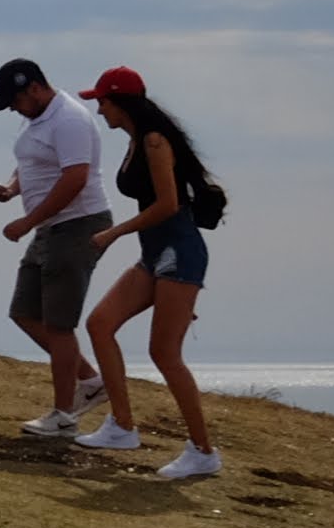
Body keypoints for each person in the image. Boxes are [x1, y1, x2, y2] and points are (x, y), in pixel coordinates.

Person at [69, 66, 226, 482]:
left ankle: (203, 452)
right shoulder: (136, 140)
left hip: (179, 255)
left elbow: (169, 205)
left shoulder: (155, 141)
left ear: (120, 102)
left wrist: (114, 233)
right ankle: (122, 427)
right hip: (155, 256)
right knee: (100, 324)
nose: (99, 110)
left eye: (103, 101)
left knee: (165, 354)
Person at [0, 55, 118, 438]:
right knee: (25, 312)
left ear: (35, 88)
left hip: (78, 225)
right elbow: (32, 163)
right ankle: (91, 382)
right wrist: (11, 189)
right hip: (51, 227)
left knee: (59, 324)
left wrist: (27, 221)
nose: (14, 108)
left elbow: (75, 178)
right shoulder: (37, 120)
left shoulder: (69, 119)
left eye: (15, 100)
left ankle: (63, 416)